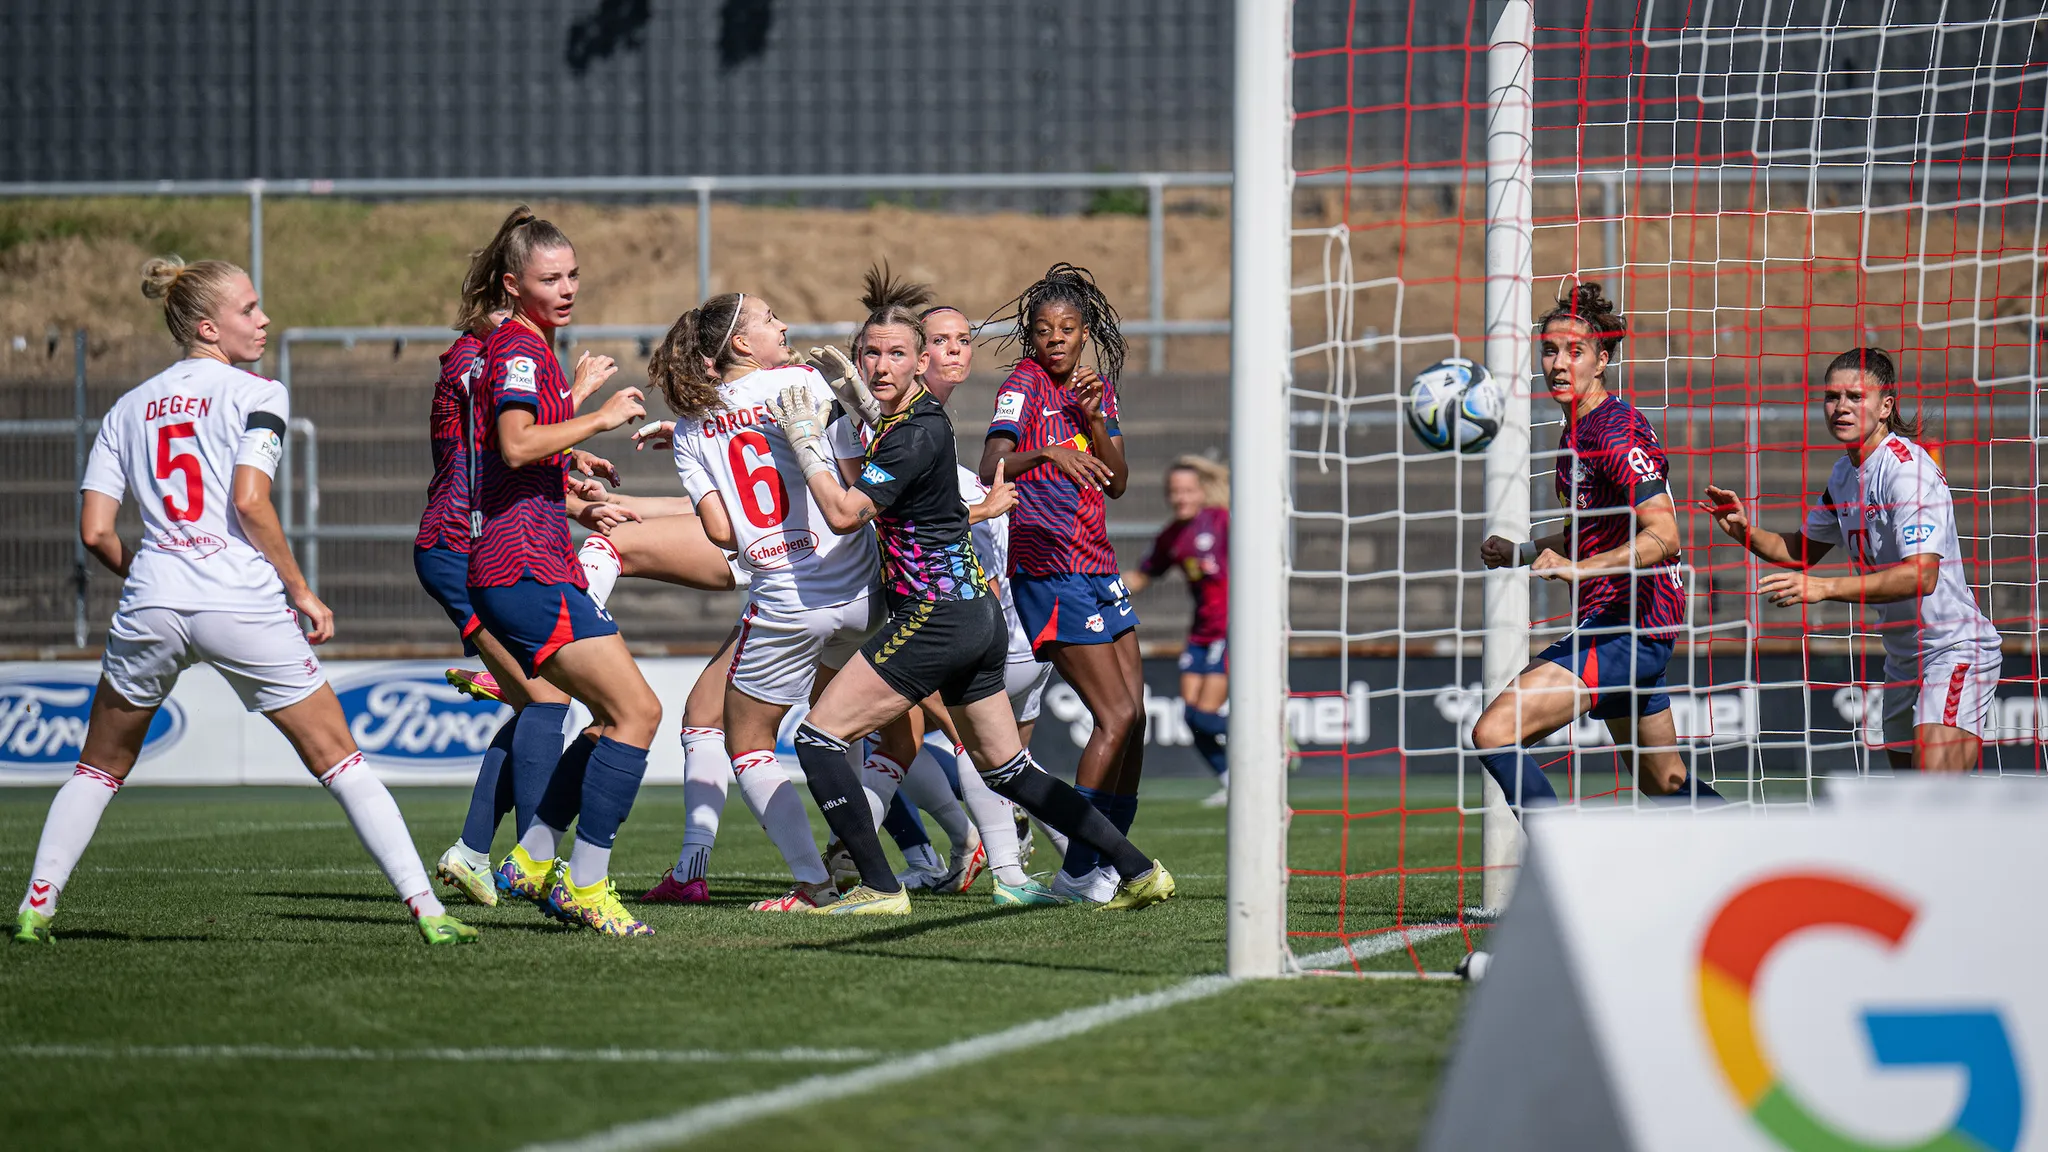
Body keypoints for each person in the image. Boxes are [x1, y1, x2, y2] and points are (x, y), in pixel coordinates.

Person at [12, 256, 475, 947]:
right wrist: (300, 589)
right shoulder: (258, 392)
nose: (263, 320)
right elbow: (249, 503)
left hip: (152, 601)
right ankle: (429, 913)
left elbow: (95, 533)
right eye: (249, 309)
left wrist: (155, 580)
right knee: (342, 762)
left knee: (98, 768)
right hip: (240, 599)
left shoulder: (126, 408)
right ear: (207, 326)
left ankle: (35, 909)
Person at [769, 267, 1174, 914]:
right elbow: (955, 469)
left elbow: (853, 507)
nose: (952, 351)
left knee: (821, 739)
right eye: (873, 353)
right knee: (1003, 762)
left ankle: (884, 884)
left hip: (944, 612)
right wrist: (853, 409)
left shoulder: (917, 431)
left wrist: (807, 441)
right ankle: (1112, 866)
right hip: (1002, 597)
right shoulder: (948, 414)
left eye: (897, 353)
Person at [651, 290, 895, 912]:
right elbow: (859, 465)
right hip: (862, 590)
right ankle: (871, 855)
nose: (783, 324)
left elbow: (722, 533)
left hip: (788, 601)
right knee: (845, 728)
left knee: (749, 743)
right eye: (768, 318)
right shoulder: (803, 381)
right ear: (740, 342)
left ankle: (814, 882)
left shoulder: (688, 430)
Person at [463, 206, 664, 936]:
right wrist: (596, 419)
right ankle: (584, 883)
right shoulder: (520, 350)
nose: (568, 287)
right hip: (523, 571)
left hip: (535, 563)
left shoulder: (535, 348)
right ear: (515, 286)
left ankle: (534, 856)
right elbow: (514, 445)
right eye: (551, 278)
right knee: (638, 714)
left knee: (618, 715)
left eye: (574, 273)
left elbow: (519, 457)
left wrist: (575, 486)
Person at [1472, 281, 1720, 808]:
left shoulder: (1615, 431)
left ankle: (1564, 883)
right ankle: (1757, 856)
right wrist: (1520, 553)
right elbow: (1590, 533)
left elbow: (1665, 534)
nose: (1559, 364)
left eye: (1574, 352)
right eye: (1550, 350)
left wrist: (1583, 571)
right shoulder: (1574, 434)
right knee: (1663, 782)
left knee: (1494, 733)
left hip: (1628, 626)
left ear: (1602, 359)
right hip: (1628, 624)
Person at [1705, 348, 2001, 771]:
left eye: (1855, 397)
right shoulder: (1844, 475)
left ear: (1885, 407)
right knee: (1908, 806)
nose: (1840, 407)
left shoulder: (1906, 470)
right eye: (1832, 396)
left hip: (1955, 650)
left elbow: (1922, 576)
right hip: (1904, 658)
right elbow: (1800, 551)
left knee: (1936, 804)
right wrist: (1744, 531)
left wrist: (1825, 588)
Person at [979, 264, 1146, 904]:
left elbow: (1118, 479)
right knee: (1117, 714)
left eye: (1068, 328)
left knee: (1135, 725)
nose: (1056, 338)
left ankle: (1105, 866)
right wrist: (1046, 452)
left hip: (1098, 564)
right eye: (1044, 329)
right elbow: (991, 462)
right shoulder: (1021, 387)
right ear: (1031, 334)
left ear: (1084, 333)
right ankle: (1080, 869)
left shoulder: (1092, 387)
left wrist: (1092, 419)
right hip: (1050, 570)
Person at [1127, 457, 1231, 807]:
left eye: (1187, 490)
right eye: (1174, 492)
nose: (1180, 497)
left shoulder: (1223, 522)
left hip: (1231, 630)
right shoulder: (1172, 536)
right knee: (1192, 718)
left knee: (1205, 713)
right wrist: (1099, 580)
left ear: (1202, 492)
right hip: (1200, 633)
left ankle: (1270, 740)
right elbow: (1141, 577)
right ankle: (1231, 780)